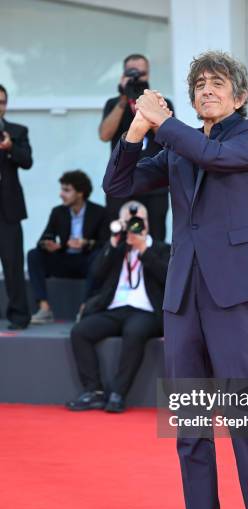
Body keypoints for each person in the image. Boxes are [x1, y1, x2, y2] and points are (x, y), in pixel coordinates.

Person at [103, 50, 248, 509]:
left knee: (243, 417)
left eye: (217, 83)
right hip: (183, 294)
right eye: (199, 85)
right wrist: (137, 131)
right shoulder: (178, 148)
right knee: (189, 421)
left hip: (235, 290)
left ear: (240, 94)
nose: (207, 90)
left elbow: (218, 159)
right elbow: (117, 188)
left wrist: (165, 123)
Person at [66, 202, 169, 413]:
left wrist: (143, 250)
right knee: (80, 331)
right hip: (115, 308)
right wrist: (113, 243)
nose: (134, 226)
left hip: (147, 311)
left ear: (148, 222)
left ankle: (118, 393)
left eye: (139, 220)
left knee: (134, 331)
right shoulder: (116, 248)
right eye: (129, 221)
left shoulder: (162, 249)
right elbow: (96, 274)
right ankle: (93, 391)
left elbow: (169, 278)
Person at [99, 53, 174, 240]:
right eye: (131, 73)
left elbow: (170, 139)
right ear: (123, 75)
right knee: (119, 237)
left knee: (155, 238)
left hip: (155, 185)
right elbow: (104, 135)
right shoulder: (113, 104)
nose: (136, 78)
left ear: (148, 75)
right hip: (122, 181)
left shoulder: (161, 103)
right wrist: (124, 98)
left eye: (141, 74)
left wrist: (151, 110)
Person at [27, 171, 108, 324]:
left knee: (98, 256)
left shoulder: (99, 212)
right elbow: (44, 238)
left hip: (87, 261)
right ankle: (44, 309)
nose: (61, 194)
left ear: (80, 193)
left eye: (66, 190)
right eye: (61, 189)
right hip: (64, 259)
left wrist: (85, 243)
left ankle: (85, 309)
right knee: (34, 254)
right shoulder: (58, 212)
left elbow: (106, 244)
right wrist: (48, 244)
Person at [0, 84, 32, 330]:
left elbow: (27, 161)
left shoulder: (17, 131)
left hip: (7, 210)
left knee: (12, 264)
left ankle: (19, 315)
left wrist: (11, 148)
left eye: (2, 102)